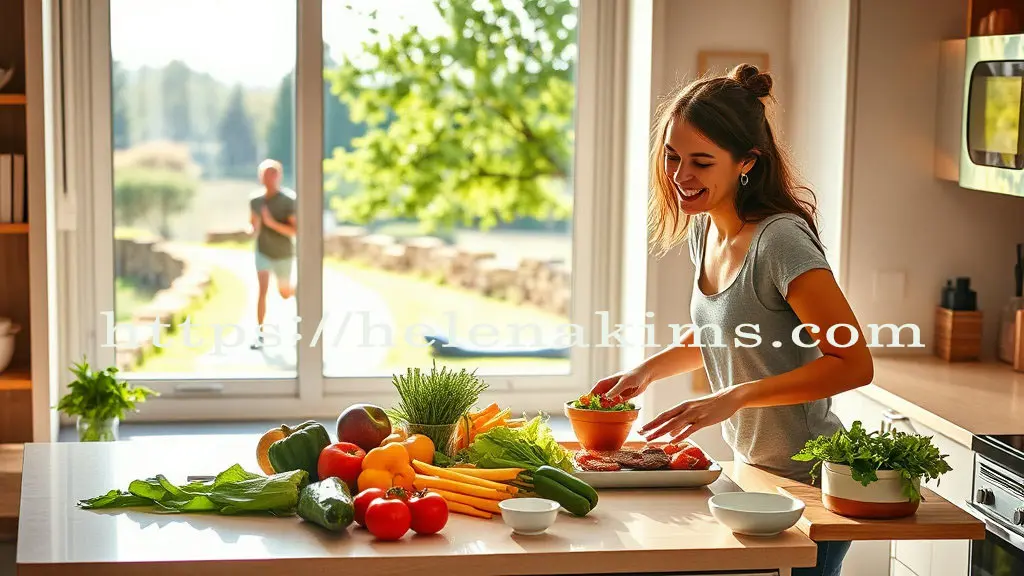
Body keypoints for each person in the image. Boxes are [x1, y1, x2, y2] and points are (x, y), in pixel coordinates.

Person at [591, 64, 873, 576]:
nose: (680, 176)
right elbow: (724, 331)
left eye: (701, 161)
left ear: (746, 162)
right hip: (753, 475)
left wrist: (734, 396)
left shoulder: (781, 241)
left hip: (806, 481)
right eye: (672, 156)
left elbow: (853, 363)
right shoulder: (706, 232)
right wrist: (646, 372)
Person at [248, 159, 297, 350]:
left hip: (283, 253)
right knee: (262, 290)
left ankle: (299, 291)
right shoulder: (255, 201)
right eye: (266, 174)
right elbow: (252, 225)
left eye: (273, 173)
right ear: (261, 177)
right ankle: (260, 334)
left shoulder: (288, 201)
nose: (269, 178)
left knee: (284, 293)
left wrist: (271, 223)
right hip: (263, 251)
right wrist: (252, 229)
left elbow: (295, 231)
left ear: (279, 176)